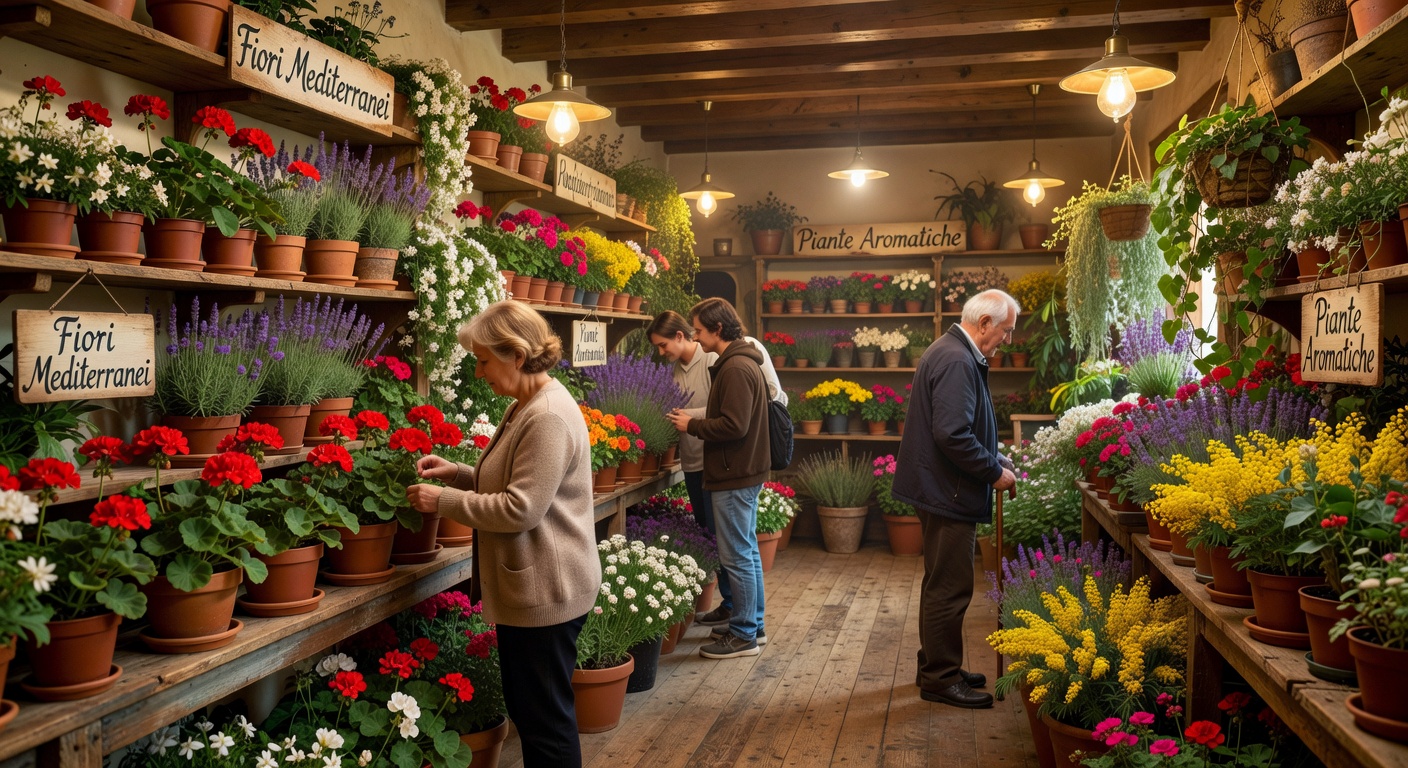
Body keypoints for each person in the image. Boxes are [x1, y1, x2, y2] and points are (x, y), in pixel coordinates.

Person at [406, 300, 600, 766]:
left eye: (483, 360)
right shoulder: (527, 405)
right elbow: (516, 482)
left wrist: (443, 501)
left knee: (545, 726)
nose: (479, 372)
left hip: (547, 591)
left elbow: (521, 509)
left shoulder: (546, 415)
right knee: (535, 715)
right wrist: (458, 473)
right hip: (537, 588)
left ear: (517, 355)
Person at [892, 289, 1019, 710]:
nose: (1007, 340)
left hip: (943, 486)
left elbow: (958, 428)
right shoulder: (957, 360)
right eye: (1006, 331)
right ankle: (940, 678)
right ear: (984, 324)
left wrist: (994, 457)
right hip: (948, 490)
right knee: (949, 587)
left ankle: (935, 665)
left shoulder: (952, 351)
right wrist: (993, 473)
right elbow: (953, 435)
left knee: (940, 582)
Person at [666, 298, 770, 658]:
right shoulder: (738, 362)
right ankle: (752, 625)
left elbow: (734, 425)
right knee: (746, 552)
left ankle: (743, 635)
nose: (695, 336)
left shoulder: (735, 367)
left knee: (737, 555)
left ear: (718, 329)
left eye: (698, 330)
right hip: (740, 470)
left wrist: (692, 425)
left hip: (734, 473)